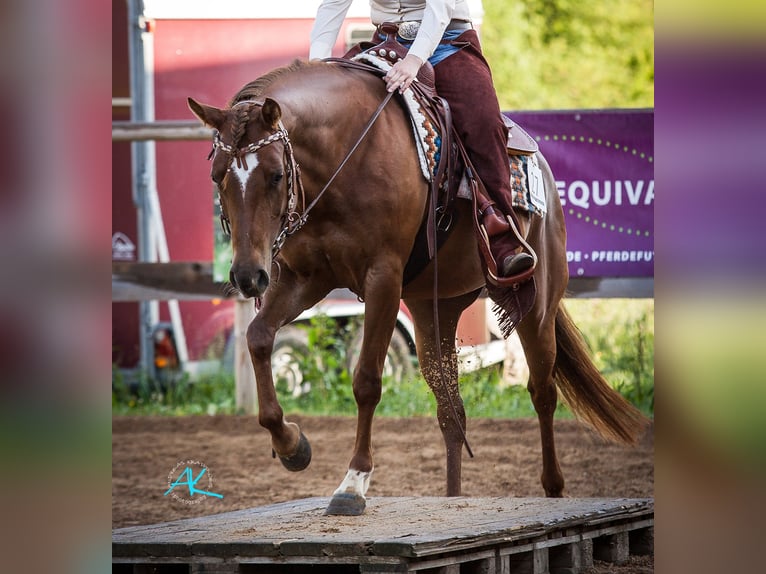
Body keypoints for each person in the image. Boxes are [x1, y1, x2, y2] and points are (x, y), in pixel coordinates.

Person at [309, 0, 534, 278]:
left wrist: (414, 60)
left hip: (447, 43)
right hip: (385, 41)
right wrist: (316, 66)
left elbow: (441, 7)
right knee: (340, 110)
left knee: (482, 119)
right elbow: (332, 5)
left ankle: (502, 237)